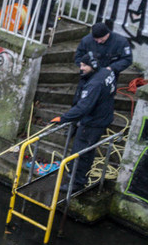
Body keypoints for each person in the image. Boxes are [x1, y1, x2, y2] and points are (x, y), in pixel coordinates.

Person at [50, 30, 118, 193]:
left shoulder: (94, 85)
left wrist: (64, 118)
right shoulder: (107, 72)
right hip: (103, 116)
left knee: (79, 153)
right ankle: (79, 178)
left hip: (92, 122)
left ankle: (76, 183)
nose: (80, 68)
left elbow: (84, 107)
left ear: (92, 66)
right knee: (88, 150)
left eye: (83, 66)